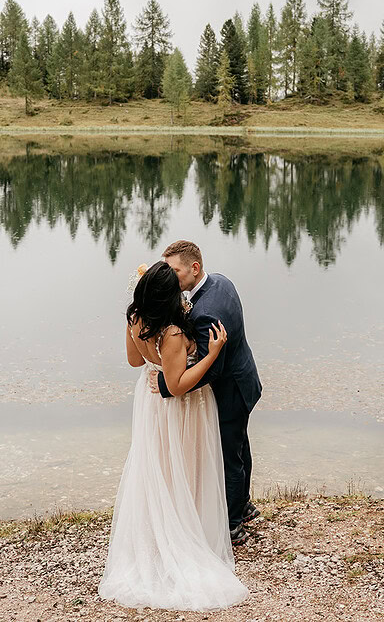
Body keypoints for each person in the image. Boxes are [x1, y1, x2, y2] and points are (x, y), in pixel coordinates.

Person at [98, 261, 249, 611]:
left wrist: (157, 365)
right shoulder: (173, 333)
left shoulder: (135, 318)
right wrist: (210, 355)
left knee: (160, 468)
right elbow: (179, 386)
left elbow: (135, 362)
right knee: (186, 467)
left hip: (150, 406)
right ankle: (186, 536)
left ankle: (159, 532)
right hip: (180, 409)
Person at [157, 240, 263, 546]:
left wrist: (167, 385)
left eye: (174, 270)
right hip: (245, 379)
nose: (171, 276)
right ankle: (243, 504)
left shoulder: (206, 311)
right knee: (240, 447)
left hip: (229, 389)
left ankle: (232, 525)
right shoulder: (220, 282)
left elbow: (211, 368)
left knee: (229, 457)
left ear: (194, 268)